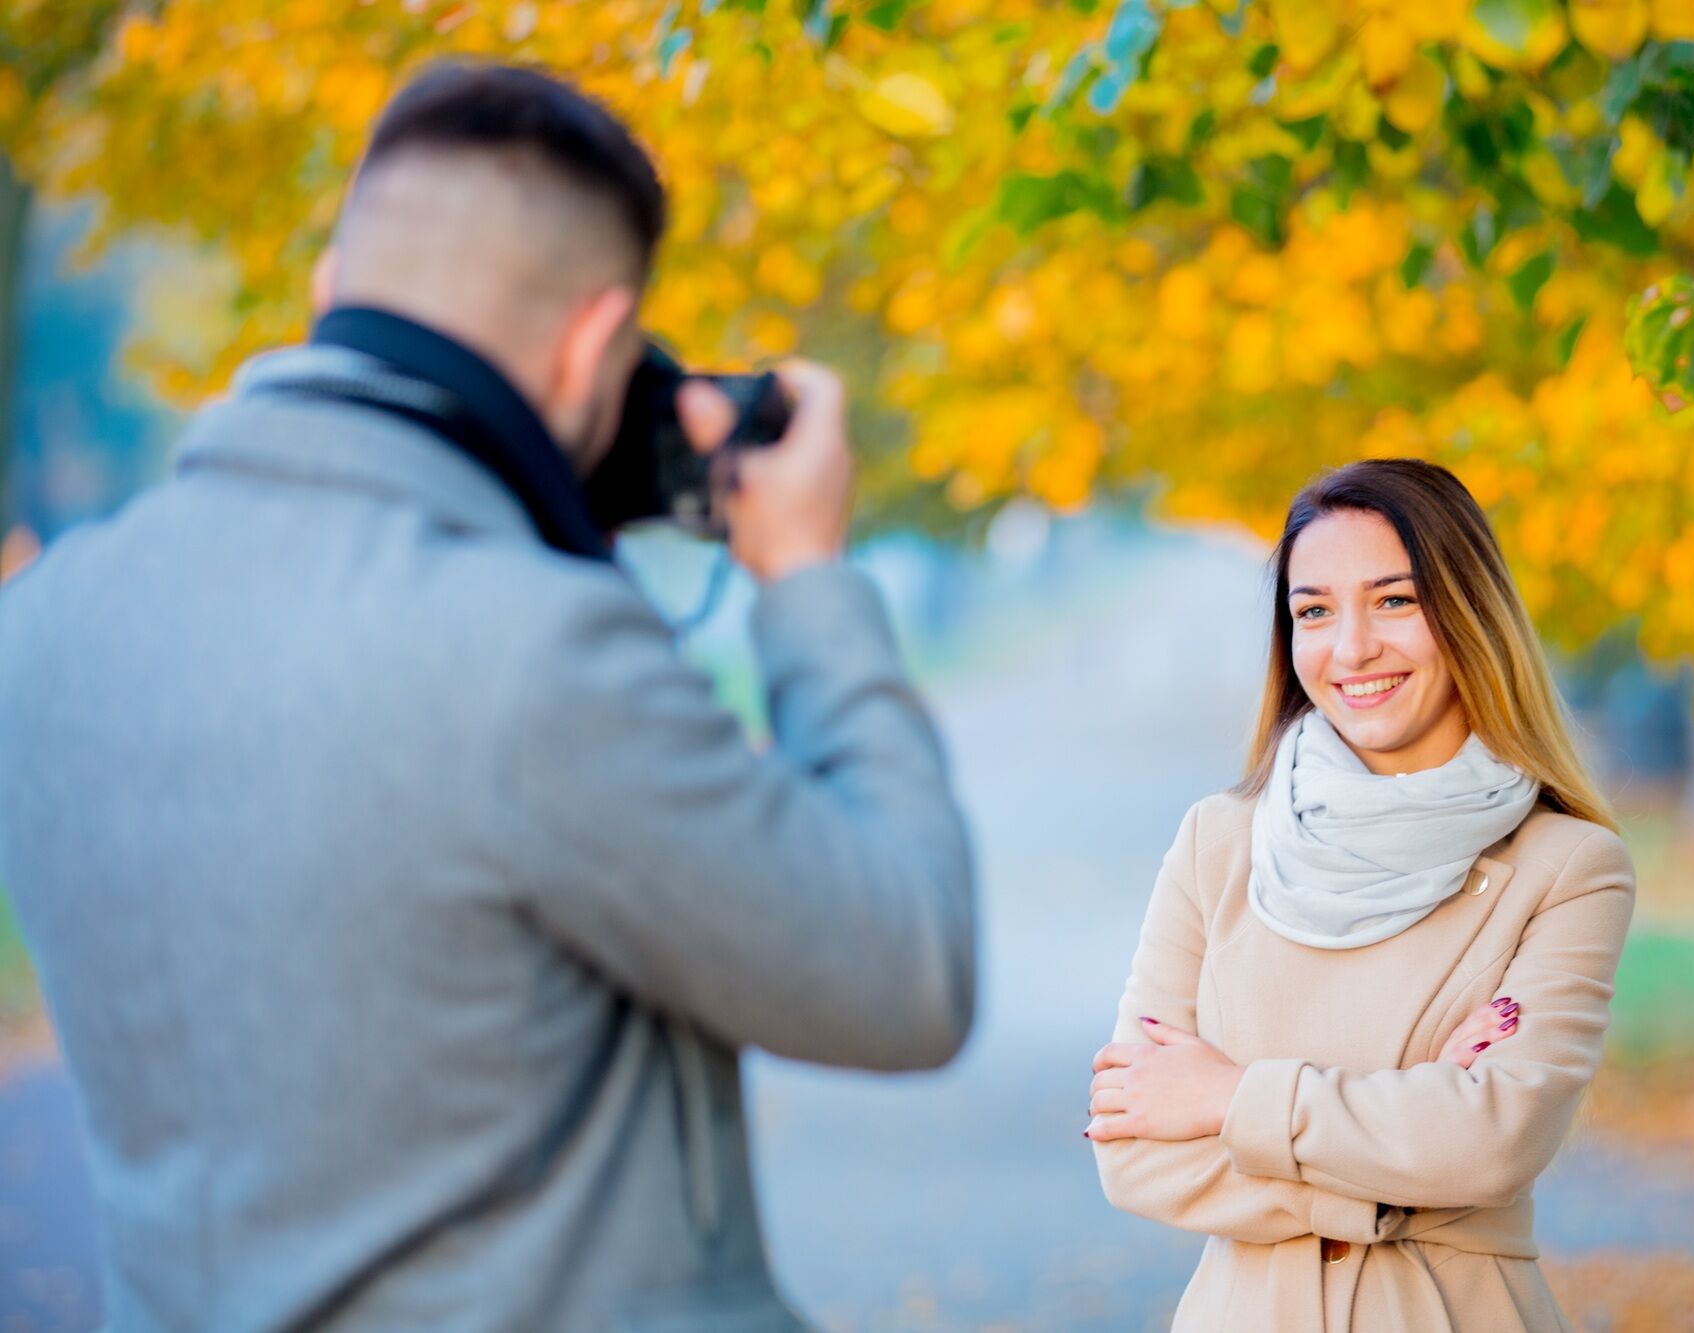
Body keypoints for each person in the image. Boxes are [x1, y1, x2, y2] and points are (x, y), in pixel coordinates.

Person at [0, 63, 976, 1331]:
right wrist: (803, 578)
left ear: (324, 296)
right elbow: (904, 970)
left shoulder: (53, 622)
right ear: (590, 344)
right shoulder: (534, 655)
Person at [1086, 459, 1635, 1331]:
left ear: (1468, 612)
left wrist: (1228, 1098)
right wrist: (1394, 1162)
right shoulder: (1217, 844)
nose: (1351, 649)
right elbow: (1136, 1151)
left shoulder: (1566, 867)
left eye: (1394, 601)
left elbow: (1491, 1141)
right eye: (1314, 611)